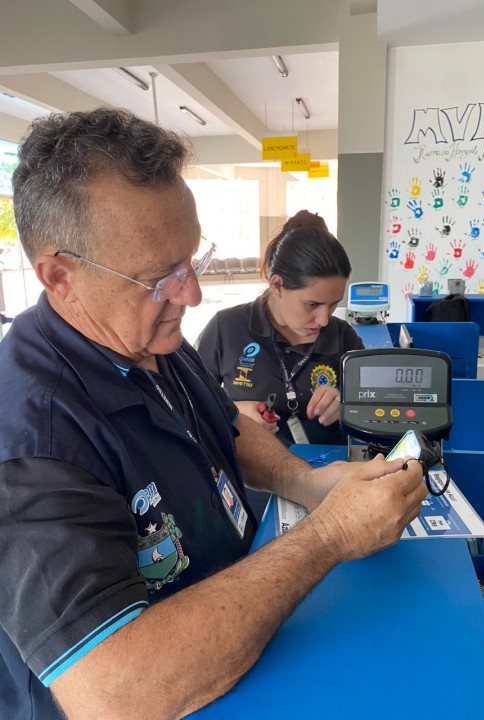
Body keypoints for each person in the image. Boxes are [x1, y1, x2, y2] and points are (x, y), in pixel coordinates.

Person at [0, 107, 426, 720]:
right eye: (159, 277)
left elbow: (220, 425)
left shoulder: (144, 338)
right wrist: (330, 534)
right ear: (60, 277)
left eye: (192, 259)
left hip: (234, 651)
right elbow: (114, 693)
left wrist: (305, 481)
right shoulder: (30, 441)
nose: (192, 294)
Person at [196, 211, 364, 448]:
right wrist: (233, 411)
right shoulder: (226, 329)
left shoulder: (343, 337)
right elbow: (189, 403)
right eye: (312, 304)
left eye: (334, 303)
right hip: (252, 476)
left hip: (329, 476)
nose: (324, 320)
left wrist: (345, 404)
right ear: (277, 286)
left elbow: (373, 408)